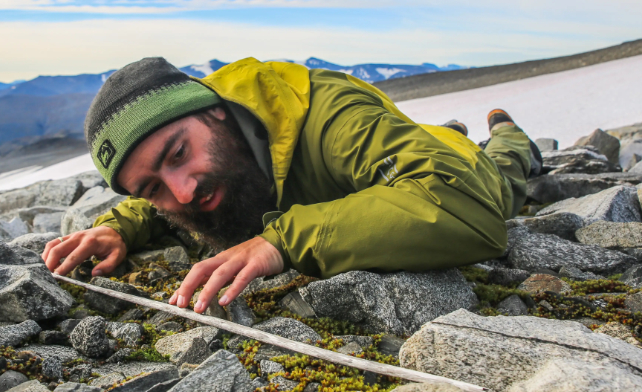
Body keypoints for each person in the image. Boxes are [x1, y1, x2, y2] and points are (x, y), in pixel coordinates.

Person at [42, 57, 541, 314]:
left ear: (215, 111)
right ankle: (443, 134)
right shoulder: (201, 163)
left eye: (178, 154)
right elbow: (165, 203)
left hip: (459, 168)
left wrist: (283, 241)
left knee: (501, 174)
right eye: (151, 187)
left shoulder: (325, 110)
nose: (184, 193)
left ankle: (507, 133)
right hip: (390, 159)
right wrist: (119, 226)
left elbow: (464, 207)